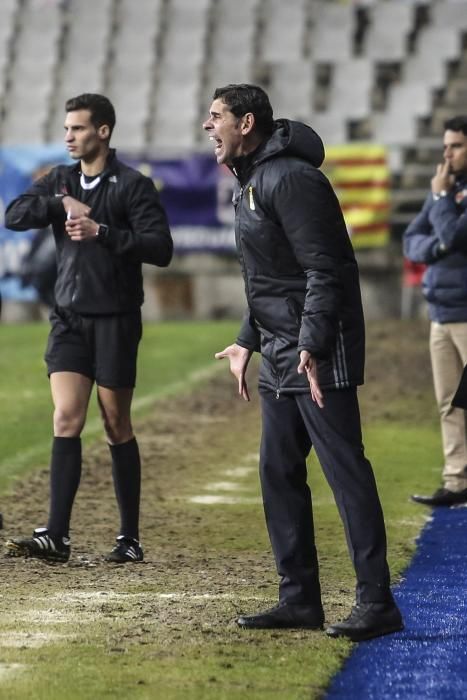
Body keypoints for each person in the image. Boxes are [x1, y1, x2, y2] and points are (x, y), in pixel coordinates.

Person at [203, 84, 403, 642]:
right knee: (278, 470)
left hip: (317, 348)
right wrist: (247, 340)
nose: (206, 125)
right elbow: (270, 280)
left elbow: (325, 270)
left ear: (246, 124)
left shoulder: (290, 179)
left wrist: (312, 344)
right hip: (283, 349)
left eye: (214, 116)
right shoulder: (253, 181)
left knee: (346, 472)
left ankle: (377, 602)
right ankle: (298, 599)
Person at [4, 93, 173, 563]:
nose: (68, 137)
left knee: (116, 423)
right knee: (66, 418)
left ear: (103, 131)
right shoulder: (59, 181)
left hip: (116, 318)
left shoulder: (133, 185)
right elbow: (13, 215)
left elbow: (160, 248)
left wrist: (102, 231)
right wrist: (60, 206)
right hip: (69, 318)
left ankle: (129, 537)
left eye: (77, 129)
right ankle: (56, 534)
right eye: (65, 129)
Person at [404, 115, 467, 508]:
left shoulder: (443, 191)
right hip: (441, 312)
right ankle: (457, 480)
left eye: (456, 146)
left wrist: (442, 201)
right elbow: (413, 239)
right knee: (449, 402)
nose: (446, 153)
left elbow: (454, 234)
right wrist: (441, 248)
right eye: (445, 145)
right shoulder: (445, 187)